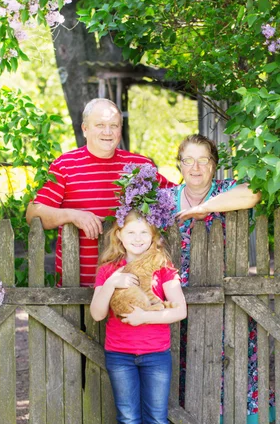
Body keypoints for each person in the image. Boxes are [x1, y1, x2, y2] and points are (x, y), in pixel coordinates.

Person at [90, 165, 186, 424]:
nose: (138, 238)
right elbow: (98, 314)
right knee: (129, 421)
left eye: (144, 233)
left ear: (153, 235)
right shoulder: (109, 271)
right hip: (120, 355)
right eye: (132, 232)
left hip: (155, 354)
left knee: (157, 421)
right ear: (120, 234)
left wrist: (147, 316)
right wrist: (112, 284)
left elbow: (179, 310)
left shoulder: (163, 268)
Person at [174, 133, 275, 424]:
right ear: (179, 165)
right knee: (187, 374)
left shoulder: (225, 189)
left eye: (203, 160)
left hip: (228, 297)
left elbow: (255, 191)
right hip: (181, 303)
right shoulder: (167, 198)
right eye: (188, 160)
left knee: (231, 368)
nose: (195, 167)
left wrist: (205, 208)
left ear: (214, 165)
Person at [26, 98, 172, 287]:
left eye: (114, 125)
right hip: (76, 286)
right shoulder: (65, 165)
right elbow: (33, 213)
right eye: (100, 125)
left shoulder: (140, 166)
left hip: (131, 286)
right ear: (85, 129)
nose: (107, 132)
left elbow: (174, 197)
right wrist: (73, 215)